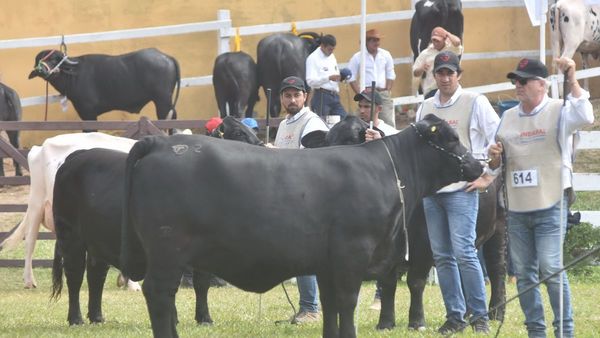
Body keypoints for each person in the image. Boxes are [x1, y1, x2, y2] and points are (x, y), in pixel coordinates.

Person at [488, 57, 594, 338]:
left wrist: (571, 78)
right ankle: (536, 331)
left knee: (550, 267)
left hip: (551, 202)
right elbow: (495, 162)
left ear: (542, 84)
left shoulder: (560, 110)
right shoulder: (507, 117)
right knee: (524, 273)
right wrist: (494, 158)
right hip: (517, 207)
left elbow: (586, 115)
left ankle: (564, 332)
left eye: (523, 81)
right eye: (515, 81)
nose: (517, 86)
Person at [415, 50, 498, 334]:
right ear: (434, 75)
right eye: (440, 72)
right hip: (432, 192)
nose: (445, 77)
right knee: (442, 257)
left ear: (459, 75)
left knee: (464, 252)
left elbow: (498, 139)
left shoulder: (476, 102)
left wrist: (490, 175)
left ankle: (479, 317)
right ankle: (455, 317)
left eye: (450, 72)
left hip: (462, 190)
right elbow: (415, 146)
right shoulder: (425, 106)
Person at [273, 76, 329, 323]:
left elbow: (314, 162)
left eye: (297, 95)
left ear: (305, 96)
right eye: (288, 95)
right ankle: (305, 307)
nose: (292, 99)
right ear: (281, 98)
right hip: (288, 197)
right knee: (296, 255)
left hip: (308, 197)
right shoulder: (285, 124)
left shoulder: (312, 122)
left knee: (305, 255)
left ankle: (311, 309)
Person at [347, 28, 397, 128]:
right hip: (366, 93)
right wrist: (359, 92)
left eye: (378, 40)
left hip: (382, 92)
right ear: (367, 41)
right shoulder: (358, 57)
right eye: (374, 40)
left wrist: (387, 90)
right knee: (362, 122)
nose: (377, 43)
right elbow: (350, 76)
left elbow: (391, 74)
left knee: (387, 121)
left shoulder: (385, 55)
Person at [412, 26, 463, 99]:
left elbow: (457, 42)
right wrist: (422, 68)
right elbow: (415, 73)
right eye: (433, 40)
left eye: (438, 40)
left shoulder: (451, 49)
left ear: (444, 39)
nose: (435, 43)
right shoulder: (426, 53)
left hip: (449, 87)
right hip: (432, 90)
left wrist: (447, 34)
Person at [305, 34, 346, 119]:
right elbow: (310, 81)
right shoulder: (313, 58)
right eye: (330, 49)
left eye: (333, 49)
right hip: (321, 96)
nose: (331, 52)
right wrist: (328, 78)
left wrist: (341, 77)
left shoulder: (332, 56)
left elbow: (335, 72)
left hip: (334, 95)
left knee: (343, 119)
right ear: (322, 46)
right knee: (323, 124)